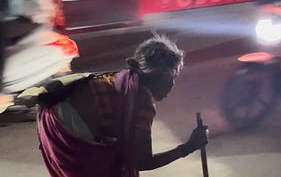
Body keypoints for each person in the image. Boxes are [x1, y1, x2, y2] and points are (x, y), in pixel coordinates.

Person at [19, 35, 209, 177]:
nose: (173, 85)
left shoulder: (126, 78)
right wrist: (188, 147)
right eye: (172, 77)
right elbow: (141, 161)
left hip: (54, 117)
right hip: (65, 128)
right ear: (157, 76)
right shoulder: (141, 100)